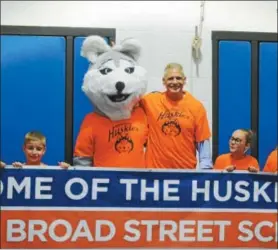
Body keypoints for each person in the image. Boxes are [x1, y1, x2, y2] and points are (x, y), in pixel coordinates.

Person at [140, 63, 212, 169]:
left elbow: (203, 142)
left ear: (184, 80)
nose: (175, 82)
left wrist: (205, 171)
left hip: (185, 173)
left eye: (178, 78)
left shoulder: (196, 106)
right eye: (170, 79)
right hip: (154, 172)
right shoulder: (150, 101)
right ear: (164, 81)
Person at [74, 105, 148, 168]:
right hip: (104, 181)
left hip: (137, 181)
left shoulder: (140, 114)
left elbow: (152, 146)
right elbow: (82, 159)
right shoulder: (91, 120)